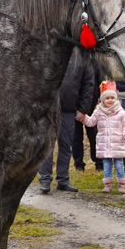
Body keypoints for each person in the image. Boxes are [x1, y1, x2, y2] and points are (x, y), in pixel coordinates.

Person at [39, 49, 95, 194]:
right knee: (47, 148)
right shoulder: (51, 51)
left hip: (69, 110)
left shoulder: (83, 57)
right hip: (48, 110)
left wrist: (83, 109)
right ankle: (45, 180)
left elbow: (88, 84)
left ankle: (63, 180)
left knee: (66, 147)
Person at [77, 81, 125, 193]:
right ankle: (107, 185)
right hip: (104, 145)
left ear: (116, 99)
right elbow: (91, 122)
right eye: (107, 98)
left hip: (117, 144)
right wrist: (83, 117)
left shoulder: (121, 112)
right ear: (102, 99)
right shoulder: (98, 112)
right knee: (106, 165)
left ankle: (122, 185)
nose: (110, 100)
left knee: (119, 165)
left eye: (112, 97)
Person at [73, 62, 102, 172]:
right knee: (76, 137)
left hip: (91, 104)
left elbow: (98, 81)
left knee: (94, 136)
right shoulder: (73, 59)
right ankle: (78, 164)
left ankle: (99, 163)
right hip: (74, 105)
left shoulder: (93, 60)